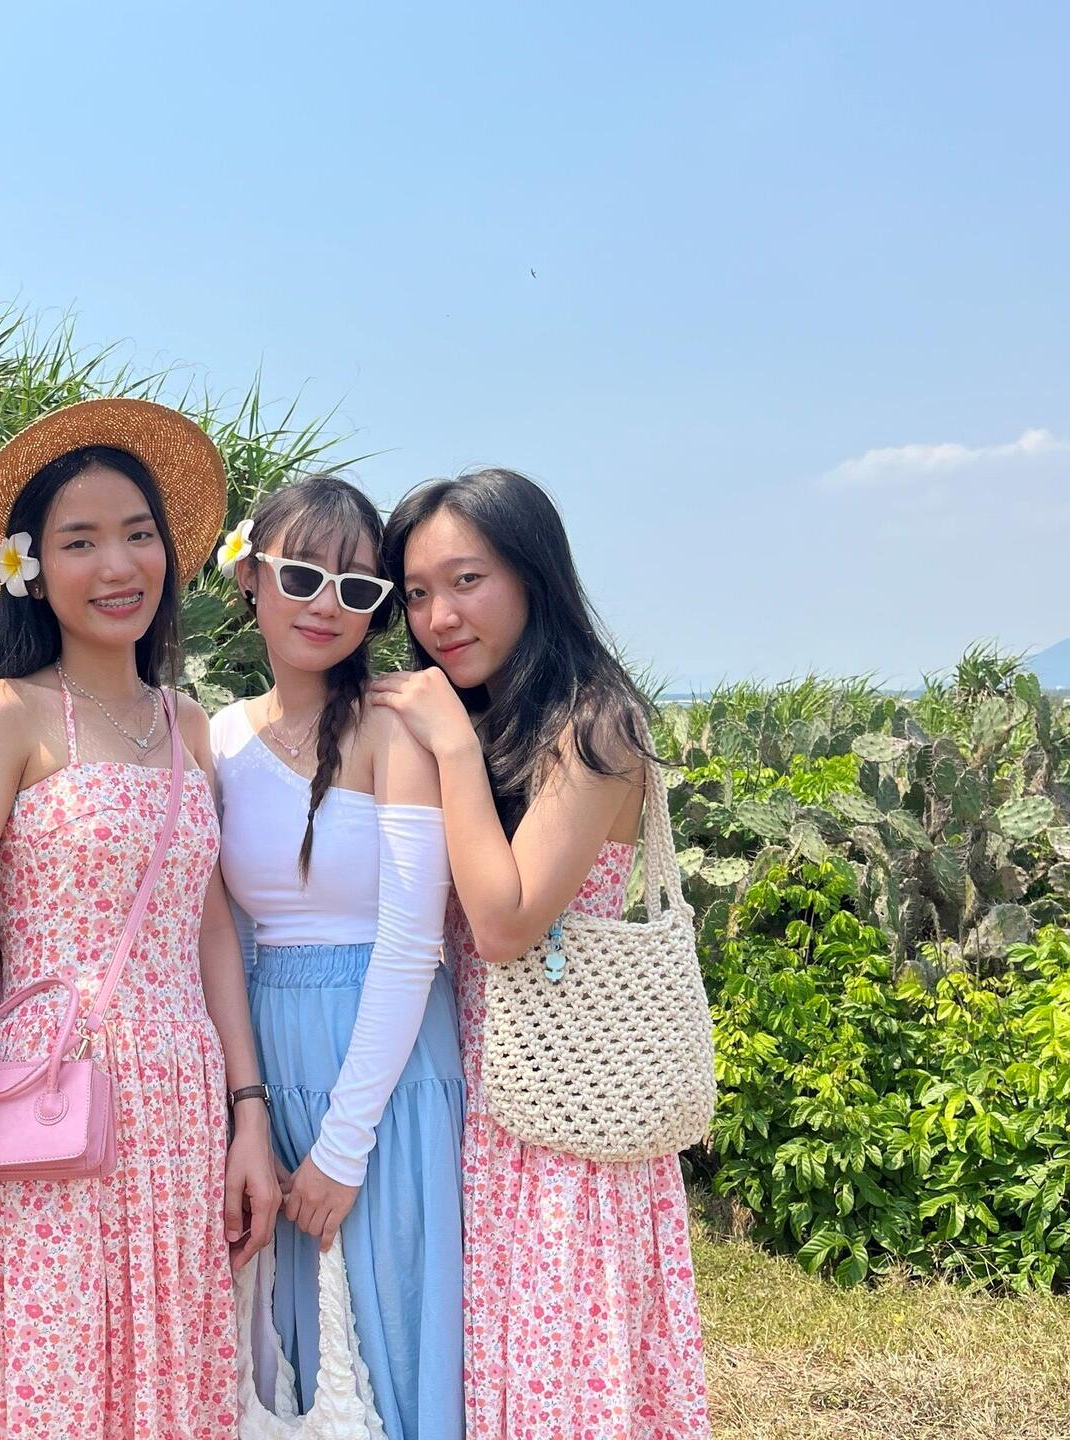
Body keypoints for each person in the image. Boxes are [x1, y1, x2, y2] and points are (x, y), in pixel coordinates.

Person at [0, 398, 283, 1439]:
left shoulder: (186, 721)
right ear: (32, 569)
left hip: (180, 1105)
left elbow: (211, 932)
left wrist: (248, 1112)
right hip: (47, 1096)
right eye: (81, 541)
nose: (117, 566)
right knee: (46, 1383)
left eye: (139, 534)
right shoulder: (6, 715)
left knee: (168, 1385)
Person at [371, 469, 711, 1440]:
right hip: (486, 1113)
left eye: (466, 580)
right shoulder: (496, 718)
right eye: (419, 592)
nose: (439, 615)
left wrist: (452, 751)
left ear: (533, 576)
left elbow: (506, 922)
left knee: (564, 1385)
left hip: (568, 1131)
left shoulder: (595, 726)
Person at [211, 473, 465, 1439]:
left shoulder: (393, 726)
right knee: (295, 1359)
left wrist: (347, 1143)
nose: (327, 606)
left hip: (386, 1062)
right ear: (249, 574)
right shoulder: (219, 736)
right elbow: (224, 931)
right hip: (273, 1054)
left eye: (359, 590)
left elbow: (412, 940)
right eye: (304, 576)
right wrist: (244, 1110)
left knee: (392, 1340)